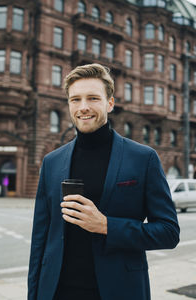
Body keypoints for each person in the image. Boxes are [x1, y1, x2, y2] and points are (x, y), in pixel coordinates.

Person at [28, 63, 180, 300]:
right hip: (56, 292)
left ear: (110, 103)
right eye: (75, 99)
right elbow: (40, 240)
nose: (84, 107)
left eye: (93, 98)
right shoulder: (51, 162)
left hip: (119, 290)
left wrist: (107, 226)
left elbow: (169, 232)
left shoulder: (143, 158)